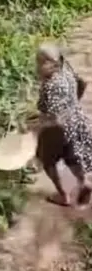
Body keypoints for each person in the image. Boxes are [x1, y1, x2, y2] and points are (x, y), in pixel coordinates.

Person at [36, 42, 92, 207]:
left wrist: (41, 124)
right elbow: (82, 84)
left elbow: (56, 118)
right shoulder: (66, 71)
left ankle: (63, 196)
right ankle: (85, 183)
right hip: (75, 122)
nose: (38, 66)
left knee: (48, 161)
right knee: (72, 157)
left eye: (41, 62)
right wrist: (72, 105)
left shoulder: (51, 84)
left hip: (58, 129)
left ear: (52, 62)